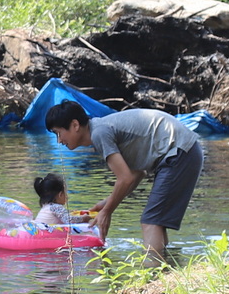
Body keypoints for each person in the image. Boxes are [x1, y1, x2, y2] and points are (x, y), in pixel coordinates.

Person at [46, 102, 203, 262]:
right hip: (183, 151)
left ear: (75, 125)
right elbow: (136, 173)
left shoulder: (99, 133)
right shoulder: (101, 129)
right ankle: (164, 270)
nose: (59, 141)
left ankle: (152, 275)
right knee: (155, 221)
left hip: (179, 152)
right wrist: (107, 203)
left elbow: (125, 179)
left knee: (151, 221)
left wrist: (107, 211)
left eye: (58, 133)